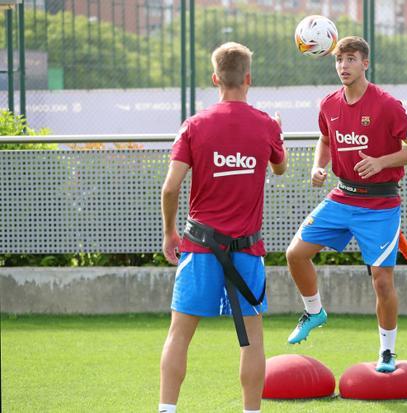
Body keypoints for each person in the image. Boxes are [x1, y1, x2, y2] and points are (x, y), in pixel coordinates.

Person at [285, 36, 407, 373]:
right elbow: (324, 139)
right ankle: (314, 311)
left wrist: (382, 161)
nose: (343, 66)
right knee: (295, 254)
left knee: (381, 280)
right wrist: (318, 166)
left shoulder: (387, 105)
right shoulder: (328, 104)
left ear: (365, 63)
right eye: (339, 60)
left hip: (381, 203)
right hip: (342, 195)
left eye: (351, 59)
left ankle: (387, 352)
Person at [159, 42, 287, 413]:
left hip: (198, 247)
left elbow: (170, 187)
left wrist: (170, 233)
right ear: (248, 78)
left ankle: (166, 409)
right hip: (247, 251)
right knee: (252, 341)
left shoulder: (194, 125)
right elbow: (279, 169)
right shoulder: (265, 125)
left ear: (215, 78)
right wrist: (276, 133)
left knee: (179, 335)